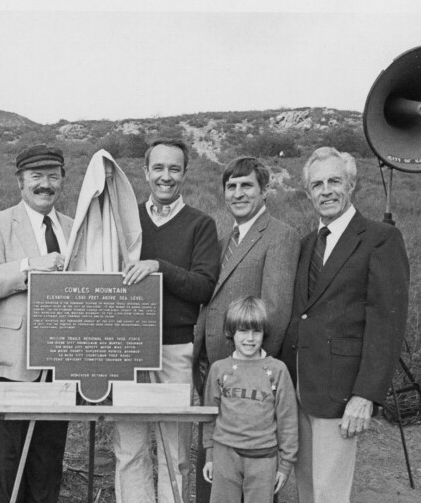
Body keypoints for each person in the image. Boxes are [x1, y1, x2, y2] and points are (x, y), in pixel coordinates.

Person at [280, 146, 410, 503]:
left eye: (334, 181)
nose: (326, 191)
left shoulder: (380, 238)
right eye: (317, 184)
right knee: (305, 487)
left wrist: (365, 395)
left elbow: (387, 324)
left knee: (330, 493)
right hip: (299, 387)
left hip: (341, 392)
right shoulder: (307, 244)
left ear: (351, 184)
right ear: (308, 193)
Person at [118, 137, 220, 503]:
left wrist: (158, 268)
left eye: (174, 168)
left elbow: (204, 286)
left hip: (174, 349)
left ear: (185, 173)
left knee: (174, 452)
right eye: (158, 168)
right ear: (145, 172)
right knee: (129, 450)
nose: (166, 176)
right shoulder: (126, 221)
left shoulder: (201, 225)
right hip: (126, 350)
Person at [193, 156, 300, 502]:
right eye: (231, 186)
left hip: (251, 378)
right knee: (217, 468)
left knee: (256, 477)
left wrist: (254, 370)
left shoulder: (281, 236)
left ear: (264, 191)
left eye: (247, 185)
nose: (238, 193)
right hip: (214, 372)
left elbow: (276, 312)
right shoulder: (224, 241)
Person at [0, 144, 73, 503]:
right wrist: (31, 265)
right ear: (20, 181)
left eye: (52, 176)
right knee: (10, 460)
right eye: (36, 176)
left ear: (63, 180)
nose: (44, 184)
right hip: (12, 362)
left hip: (60, 363)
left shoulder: (74, 228)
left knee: (49, 460)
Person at [202, 296, 298, 503]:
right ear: (231, 332)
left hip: (263, 457)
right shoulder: (219, 369)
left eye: (256, 331)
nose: (250, 338)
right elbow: (209, 416)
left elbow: (288, 420)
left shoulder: (277, 370)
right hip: (225, 453)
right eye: (243, 331)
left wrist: (285, 464)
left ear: (264, 333)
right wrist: (209, 455)